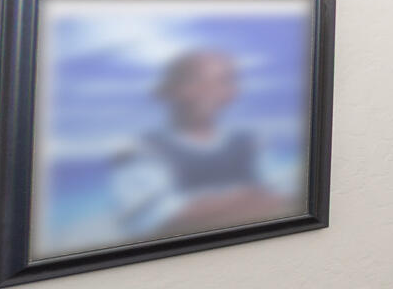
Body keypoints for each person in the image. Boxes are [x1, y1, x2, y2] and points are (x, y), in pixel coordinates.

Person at [105, 49, 300, 243]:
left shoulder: (249, 142)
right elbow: (152, 222)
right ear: (176, 89)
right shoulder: (140, 149)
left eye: (226, 82)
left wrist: (206, 209)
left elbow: (282, 197)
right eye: (208, 82)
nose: (225, 92)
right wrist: (244, 199)